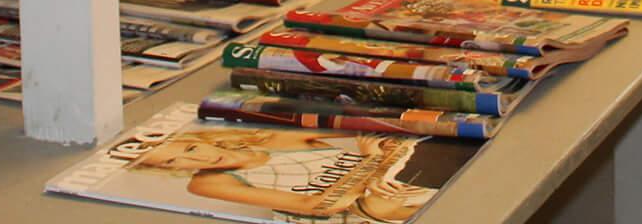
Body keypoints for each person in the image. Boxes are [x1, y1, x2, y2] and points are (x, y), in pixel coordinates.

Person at [128, 128, 441, 220]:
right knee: (377, 204)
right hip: (352, 213)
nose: (200, 158)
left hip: (394, 180)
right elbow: (319, 206)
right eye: (171, 163)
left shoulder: (275, 139)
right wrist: (371, 163)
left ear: (199, 140)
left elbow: (385, 141)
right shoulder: (208, 182)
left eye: (190, 149)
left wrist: (378, 162)